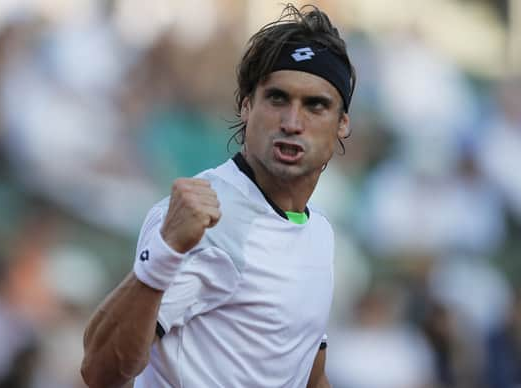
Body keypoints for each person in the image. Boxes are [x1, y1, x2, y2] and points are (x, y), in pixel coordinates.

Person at [81, 4, 355, 388]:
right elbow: (100, 371)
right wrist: (164, 253)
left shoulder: (319, 231)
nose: (293, 123)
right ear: (246, 106)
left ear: (342, 123)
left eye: (315, 105)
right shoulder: (204, 220)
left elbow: (309, 370)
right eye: (277, 99)